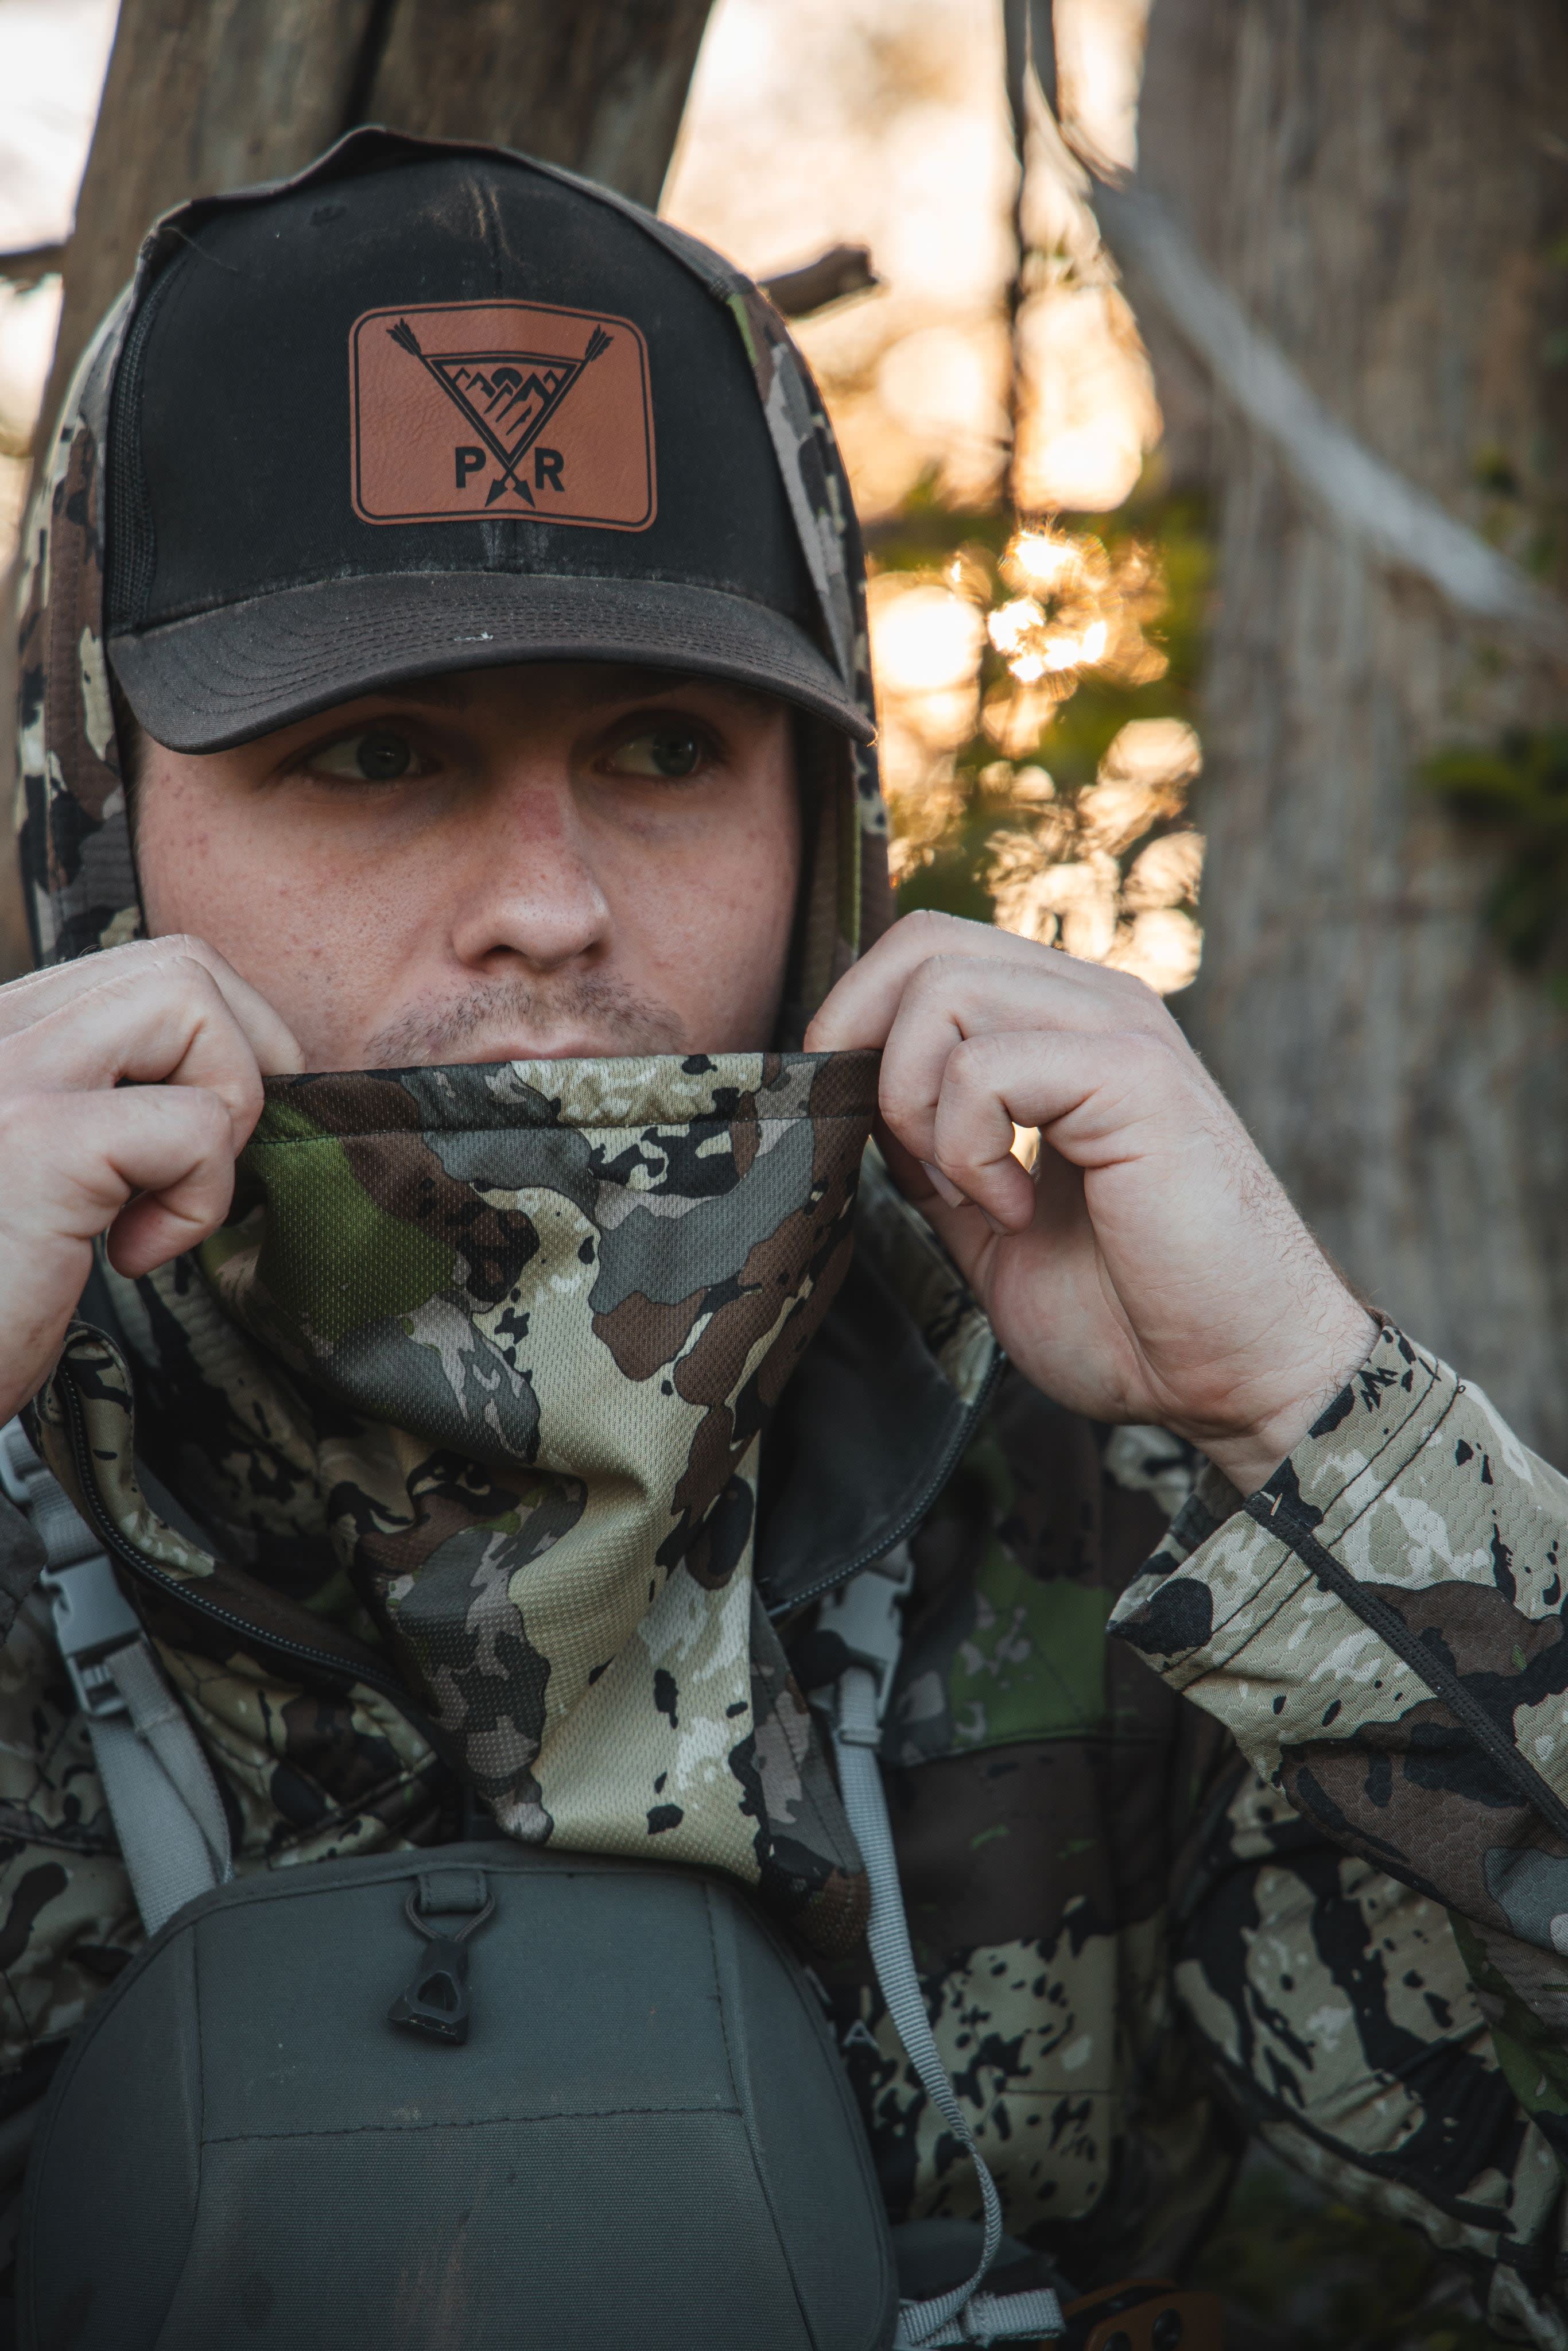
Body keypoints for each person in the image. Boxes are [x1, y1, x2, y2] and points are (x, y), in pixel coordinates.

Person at [2, 125, 1567, 2347]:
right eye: (370, 754)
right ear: (96, 822)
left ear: (827, 832)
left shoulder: (1082, 1506)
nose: (548, 904)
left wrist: (1308, 1422)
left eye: (661, 746)